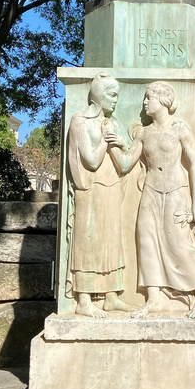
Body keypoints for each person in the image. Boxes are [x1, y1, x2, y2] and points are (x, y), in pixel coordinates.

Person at [105, 81, 195, 319]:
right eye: (144, 98)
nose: (144, 103)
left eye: (149, 98)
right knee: (148, 242)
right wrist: (113, 144)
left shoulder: (179, 129)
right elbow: (125, 164)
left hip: (176, 192)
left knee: (179, 243)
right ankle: (153, 299)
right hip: (151, 193)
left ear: (163, 100)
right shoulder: (143, 133)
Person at [66, 73, 132, 318]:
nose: (115, 101)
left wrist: (122, 143)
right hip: (90, 189)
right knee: (88, 241)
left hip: (111, 185)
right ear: (98, 95)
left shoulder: (110, 122)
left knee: (111, 240)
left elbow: (122, 161)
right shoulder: (80, 121)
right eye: (112, 95)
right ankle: (83, 299)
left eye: (117, 95)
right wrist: (106, 140)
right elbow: (92, 160)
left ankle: (111, 297)